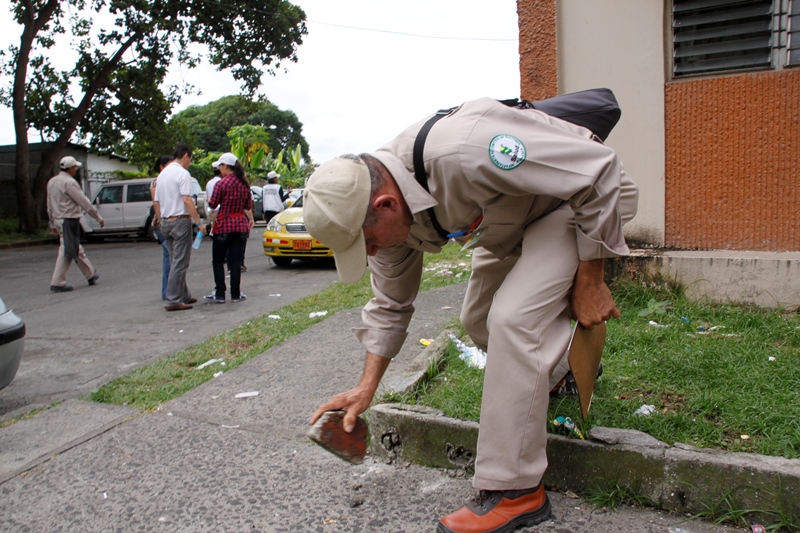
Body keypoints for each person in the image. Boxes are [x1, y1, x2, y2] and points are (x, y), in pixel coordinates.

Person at [305, 97, 639, 533]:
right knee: (478, 320)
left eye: (365, 242)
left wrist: (591, 279)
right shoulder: (381, 215)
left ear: (386, 205)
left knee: (514, 319)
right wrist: (366, 388)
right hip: (515, 219)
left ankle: (516, 492)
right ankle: (560, 376)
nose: (369, 253)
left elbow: (598, 171)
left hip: (577, 204)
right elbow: (390, 306)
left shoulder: (465, 149)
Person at [153, 144, 206, 311]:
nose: (189, 163)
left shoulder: (162, 175)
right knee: (180, 262)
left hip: (166, 221)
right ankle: (173, 300)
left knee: (175, 259)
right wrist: (198, 221)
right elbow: (187, 200)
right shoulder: (182, 174)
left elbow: (157, 201)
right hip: (180, 221)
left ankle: (184, 294)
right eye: (190, 159)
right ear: (185, 156)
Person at [46, 156, 105, 292]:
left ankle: (90, 274)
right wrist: (97, 217)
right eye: (75, 168)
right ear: (71, 168)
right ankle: (58, 282)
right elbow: (83, 201)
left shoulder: (52, 182)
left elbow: (49, 203)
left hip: (58, 219)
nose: (75, 170)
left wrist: (52, 223)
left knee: (75, 248)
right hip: (69, 219)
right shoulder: (69, 182)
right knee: (67, 250)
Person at [203, 152, 254, 303]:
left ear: (226, 166)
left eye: (220, 166)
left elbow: (213, 204)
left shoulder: (221, 183)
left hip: (224, 225)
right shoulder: (244, 184)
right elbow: (247, 205)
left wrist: (209, 199)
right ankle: (236, 294)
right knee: (235, 262)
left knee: (218, 260)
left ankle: (219, 293)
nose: (220, 169)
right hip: (240, 226)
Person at [150, 155, 173, 300]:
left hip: (166, 220)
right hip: (162, 222)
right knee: (171, 257)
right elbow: (156, 203)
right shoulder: (157, 182)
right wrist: (160, 220)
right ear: (162, 166)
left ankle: (168, 291)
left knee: (169, 257)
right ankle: (168, 291)